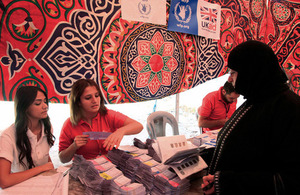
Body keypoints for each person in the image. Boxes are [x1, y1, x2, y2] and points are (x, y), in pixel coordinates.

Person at [201, 40, 300, 194]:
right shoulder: (257, 100)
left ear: (251, 72)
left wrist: (226, 183)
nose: (229, 79)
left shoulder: (290, 109)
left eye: (233, 72)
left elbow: (290, 180)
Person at [59, 79, 143, 163]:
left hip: (110, 166)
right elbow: (63, 159)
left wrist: (121, 131)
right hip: (85, 169)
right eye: (88, 98)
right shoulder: (69, 124)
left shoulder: (108, 115)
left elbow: (139, 126)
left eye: (97, 95)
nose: (95, 101)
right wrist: (74, 146)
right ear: (78, 102)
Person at [0, 86, 55, 188]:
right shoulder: (7, 136)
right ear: (24, 107)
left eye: (45, 101)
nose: (45, 106)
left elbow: (43, 156)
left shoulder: (47, 127)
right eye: (38, 103)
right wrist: (41, 169)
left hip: (42, 186)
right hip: (19, 189)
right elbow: (4, 181)